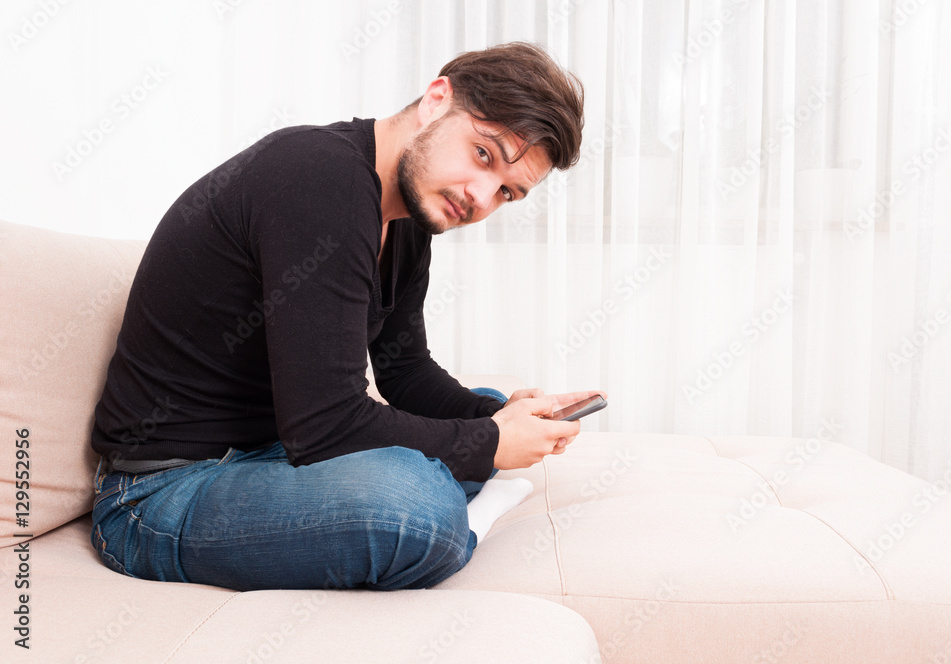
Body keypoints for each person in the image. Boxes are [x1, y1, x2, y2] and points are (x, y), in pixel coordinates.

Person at [89, 41, 598, 591]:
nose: (480, 196)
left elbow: (405, 372)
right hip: (159, 494)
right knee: (415, 509)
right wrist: (489, 444)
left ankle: (451, 490)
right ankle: (456, 526)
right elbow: (324, 425)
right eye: (482, 154)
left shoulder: (408, 212)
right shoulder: (319, 178)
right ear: (436, 99)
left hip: (272, 453)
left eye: (507, 192)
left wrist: (494, 419)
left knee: (492, 415)